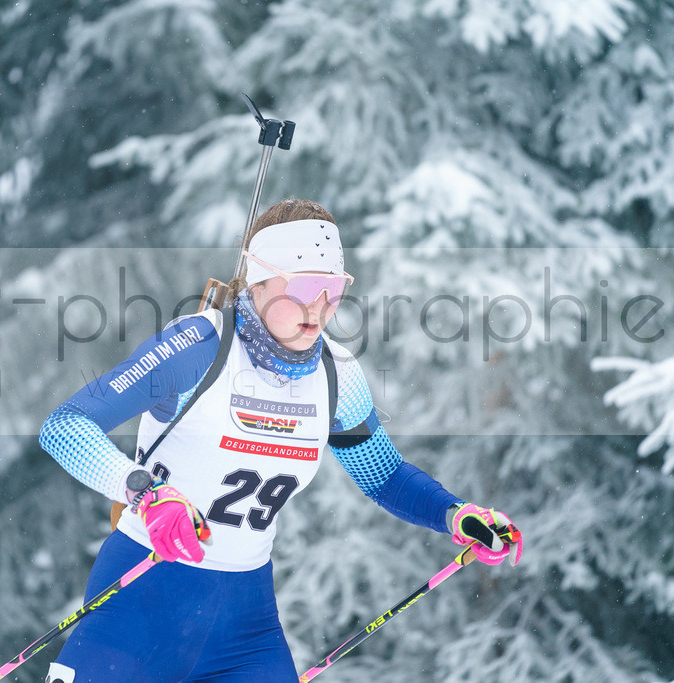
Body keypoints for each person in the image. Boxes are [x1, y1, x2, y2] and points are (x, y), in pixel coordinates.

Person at [38, 198, 523, 683]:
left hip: (243, 627)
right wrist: (143, 491)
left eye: (333, 289)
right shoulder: (199, 347)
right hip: (140, 606)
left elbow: (384, 476)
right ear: (259, 283)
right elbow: (66, 426)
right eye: (306, 287)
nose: (320, 307)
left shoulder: (336, 374)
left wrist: (455, 514)